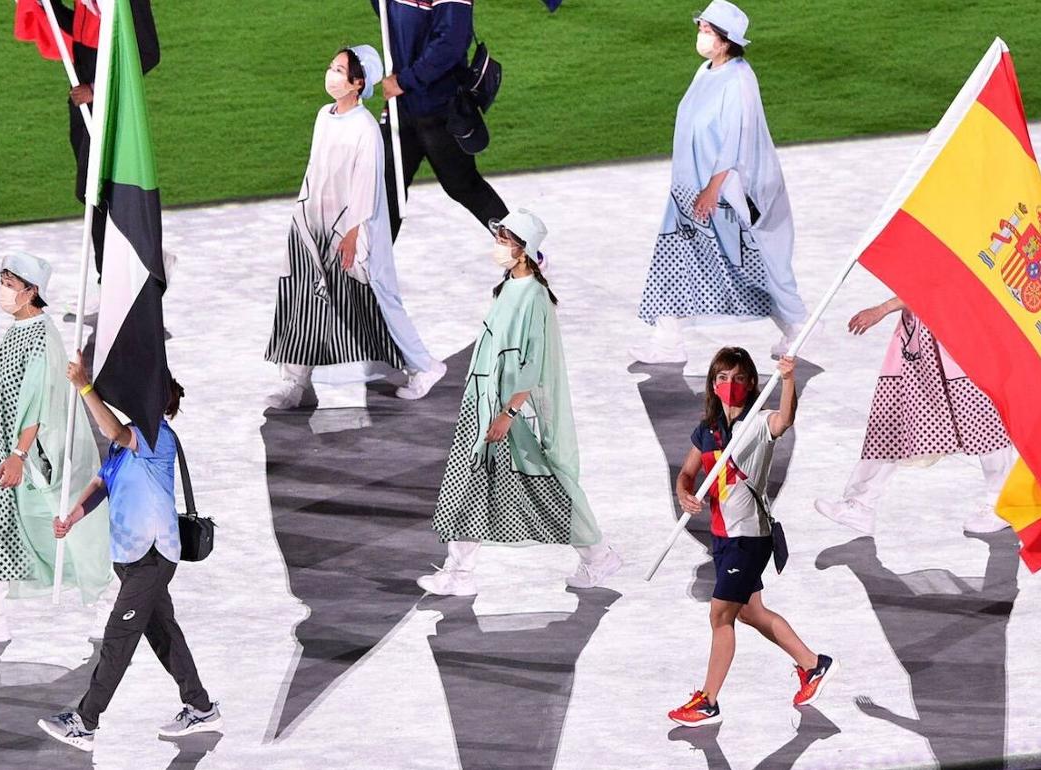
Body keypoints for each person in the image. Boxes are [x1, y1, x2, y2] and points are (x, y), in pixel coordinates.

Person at [418, 209, 621, 596]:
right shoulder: (508, 287)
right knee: (472, 481)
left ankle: (597, 555)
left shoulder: (535, 298)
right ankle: (460, 571)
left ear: (523, 249)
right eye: (499, 237)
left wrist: (508, 414)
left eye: (505, 239)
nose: (498, 245)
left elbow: (533, 363)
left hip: (509, 412)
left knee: (545, 487)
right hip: (484, 403)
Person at [38, 368, 222, 751]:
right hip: (133, 557)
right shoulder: (125, 444)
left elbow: (113, 430)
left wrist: (85, 387)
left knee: (118, 639)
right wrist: (73, 516)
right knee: (163, 632)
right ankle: (200, 707)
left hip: (152, 556)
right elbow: (102, 481)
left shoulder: (156, 436)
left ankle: (86, 722)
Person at [0, 253, 112, 647]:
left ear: (31, 291)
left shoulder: (40, 336)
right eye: (1, 280)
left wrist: (18, 456)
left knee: (58, 529)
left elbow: (37, 404)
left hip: (21, 457)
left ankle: (109, 597)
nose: (3, 290)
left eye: (9, 282)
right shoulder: (18, 330)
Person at [265, 45, 447, 409]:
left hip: (353, 234)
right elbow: (315, 170)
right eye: (331, 66)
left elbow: (366, 184)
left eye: (339, 70)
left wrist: (351, 234)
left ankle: (424, 366)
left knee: (378, 299)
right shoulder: (324, 116)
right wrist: (302, 216)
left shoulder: (365, 128)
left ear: (357, 83)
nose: (330, 74)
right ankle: (296, 381)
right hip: (313, 224)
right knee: (302, 298)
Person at [667, 347, 836, 727]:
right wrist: (683, 493)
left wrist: (789, 379)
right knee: (750, 612)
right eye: (723, 378)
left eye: (739, 379)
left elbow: (785, 420)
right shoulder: (707, 430)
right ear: (713, 383)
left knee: (719, 614)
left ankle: (708, 701)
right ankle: (813, 665)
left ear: (751, 385)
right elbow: (686, 473)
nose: (731, 385)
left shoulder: (758, 425)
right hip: (722, 538)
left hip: (749, 537)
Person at [633, 0, 808, 366]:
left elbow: (734, 137)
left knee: (741, 266)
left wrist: (713, 188)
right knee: (679, 259)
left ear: (726, 41)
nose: (701, 34)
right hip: (689, 190)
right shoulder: (706, 71)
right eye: (701, 28)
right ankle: (668, 340)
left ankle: (796, 324)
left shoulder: (740, 78)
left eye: (708, 31)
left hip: (719, 193)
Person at [814, 298, 1015, 535]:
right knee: (893, 421)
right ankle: (860, 504)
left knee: (981, 421)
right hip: (919, 342)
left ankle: (1004, 504)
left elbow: (934, 282)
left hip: (958, 336)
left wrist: (882, 309)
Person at [49, 0, 160, 313]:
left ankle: (121, 280)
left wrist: (97, 89)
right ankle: (112, 280)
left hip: (109, 101)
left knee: (102, 193)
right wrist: (49, 7)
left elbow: (148, 52)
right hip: (83, 99)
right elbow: (83, 30)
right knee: (93, 193)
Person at [371, 0, 510, 241]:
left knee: (464, 186)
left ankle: (524, 253)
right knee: (386, 188)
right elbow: (387, 15)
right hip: (402, 106)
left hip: (440, 108)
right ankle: (373, 269)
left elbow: (451, 43)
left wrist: (404, 81)